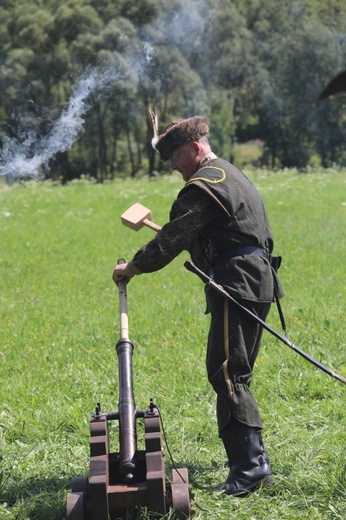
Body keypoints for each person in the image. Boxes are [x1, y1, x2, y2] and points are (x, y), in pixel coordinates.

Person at [113, 115, 284, 496]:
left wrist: (132, 267)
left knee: (227, 374)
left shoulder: (201, 187)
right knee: (234, 372)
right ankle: (252, 461)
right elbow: (222, 232)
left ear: (195, 147)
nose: (173, 166)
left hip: (237, 283)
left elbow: (170, 241)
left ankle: (250, 469)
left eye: (174, 156)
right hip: (257, 279)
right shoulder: (228, 173)